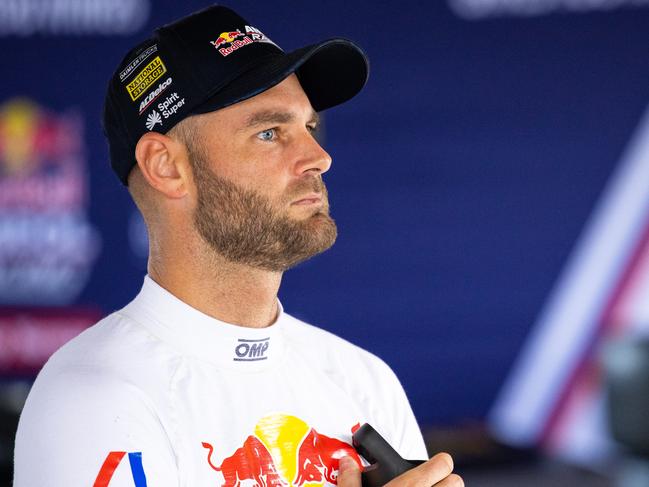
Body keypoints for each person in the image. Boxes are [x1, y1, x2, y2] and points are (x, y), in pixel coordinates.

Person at [14, 5, 462, 487]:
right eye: (269, 133)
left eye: (309, 128)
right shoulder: (93, 399)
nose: (319, 157)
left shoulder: (363, 380)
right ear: (166, 166)